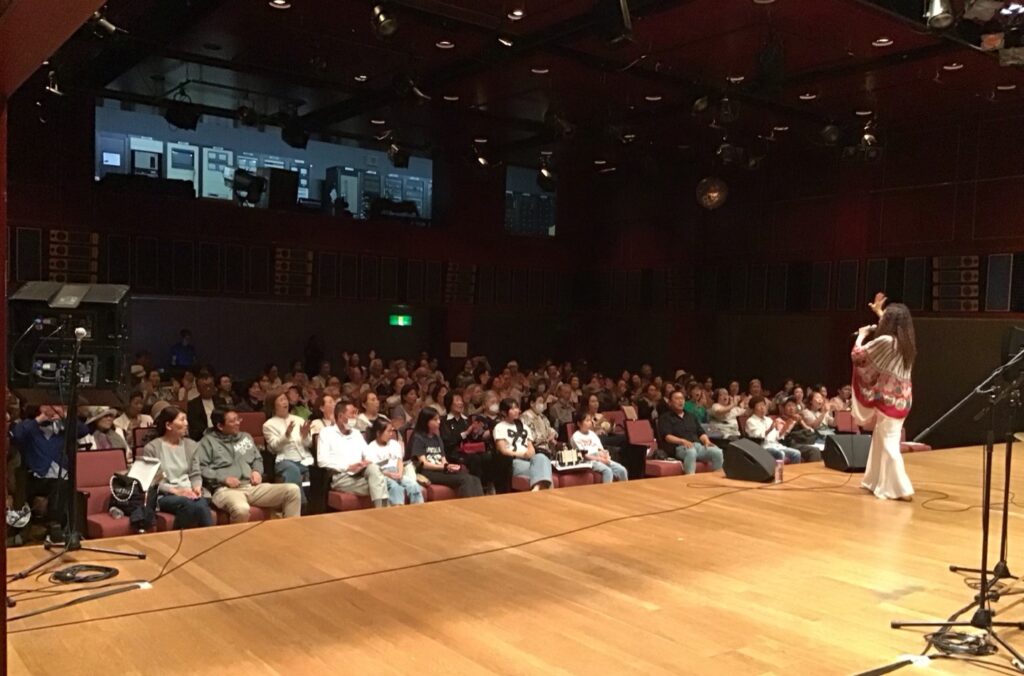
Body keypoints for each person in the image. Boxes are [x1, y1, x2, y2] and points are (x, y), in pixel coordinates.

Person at [852, 292, 916, 501]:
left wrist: (862, 335)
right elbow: (890, 328)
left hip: (889, 400)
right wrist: (879, 312)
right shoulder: (905, 343)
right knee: (880, 438)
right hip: (902, 399)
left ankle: (901, 488)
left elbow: (858, 356)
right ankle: (873, 480)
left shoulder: (887, 341)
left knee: (888, 441)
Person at [196, 408, 301, 522]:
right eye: (232, 421)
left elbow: (257, 458)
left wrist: (256, 471)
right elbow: (201, 468)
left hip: (252, 486)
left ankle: (291, 531)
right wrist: (224, 479)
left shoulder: (245, 437)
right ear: (220, 426)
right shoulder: (207, 442)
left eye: (238, 419)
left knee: (292, 490)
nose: (238, 423)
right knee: (241, 510)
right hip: (225, 490)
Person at [12, 405, 88, 543]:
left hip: (62, 476)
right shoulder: (30, 426)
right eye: (48, 405)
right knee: (60, 486)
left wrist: (64, 415)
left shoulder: (63, 428)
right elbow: (17, 434)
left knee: (74, 491)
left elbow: (84, 430)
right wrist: (41, 418)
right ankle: (54, 529)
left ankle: (73, 533)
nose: (53, 409)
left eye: (56, 406)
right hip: (37, 478)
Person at [142, 406, 212, 529]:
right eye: (182, 419)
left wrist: (196, 488)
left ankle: (209, 538)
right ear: (168, 425)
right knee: (188, 504)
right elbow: (153, 481)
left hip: (188, 491)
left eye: (186, 419)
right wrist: (177, 491)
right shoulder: (152, 448)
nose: (186, 423)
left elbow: (195, 473)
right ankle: (177, 538)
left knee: (202, 504)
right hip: (165, 495)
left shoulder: (191, 446)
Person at [317, 400, 390, 508]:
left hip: (361, 472)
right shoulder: (326, 433)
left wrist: (366, 462)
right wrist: (348, 467)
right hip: (342, 476)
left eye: (356, 414)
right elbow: (321, 461)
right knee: (381, 483)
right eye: (352, 414)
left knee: (374, 469)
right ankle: (383, 512)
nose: (355, 417)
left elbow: (368, 453)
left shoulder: (356, 433)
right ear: (340, 416)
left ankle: (381, 511)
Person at [409, 409, 483, 497]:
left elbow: (444, 460)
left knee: (475, 479)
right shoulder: (418, 438)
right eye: (435, 419)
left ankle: (479, 504)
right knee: (465, 479)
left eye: (439, 419)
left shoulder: (437, 438)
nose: (439, 422)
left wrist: (449, 466)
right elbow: (423, 464)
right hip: (427, 472)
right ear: (426, 422)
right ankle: (468, 504)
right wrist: (444, 467)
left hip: (441, 470)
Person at [262, 391, 313, 506]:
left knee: (318, 470)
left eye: (285, 399)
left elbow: (309, 444)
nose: (285, 402)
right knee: (292, 469)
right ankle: (301, 505)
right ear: (273, 405)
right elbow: (274, 447)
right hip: (285, 460)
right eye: (281, 400)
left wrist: (305, 436)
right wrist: (286, 435)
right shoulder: (268, 425)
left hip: (304, 458)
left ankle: (318, 506)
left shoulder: (299, 420)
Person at [656, 390, 723, 474]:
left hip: (697, 446)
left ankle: (717, 478)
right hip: (680, 447)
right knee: (691, 452)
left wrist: (706, 441)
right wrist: (682, 441)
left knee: (717, 452)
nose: (680, 401)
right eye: (677, 399)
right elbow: (667, 437)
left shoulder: (691, 416)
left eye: (682, 398)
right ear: (670, 402)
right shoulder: (665, 418)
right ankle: (690, 478)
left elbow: (700, 432)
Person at [494, 398, 552, 491]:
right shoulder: (499, 427)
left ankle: (537, 488)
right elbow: (503, 450)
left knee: (541, 457)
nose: (516, 411)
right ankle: (541, 489)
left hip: (529, 459)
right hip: (514, 461)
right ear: (504, 412)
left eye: (517, 408)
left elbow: (530, 446)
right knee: (544, 468)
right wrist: (522, 454)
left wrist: (530, 453)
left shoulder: (524, 427)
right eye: (512, 409)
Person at [364, 417, 423, 506]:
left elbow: (399, 461)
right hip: (384, 475)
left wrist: (400, 473)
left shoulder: (394, 444)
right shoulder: (371, 448)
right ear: (378, 433)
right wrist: (389, 474)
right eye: (388, 431)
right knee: (396, 488)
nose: (391, 434)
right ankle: (398, 511)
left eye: (392, 431)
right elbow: (375, 470)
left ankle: (418, 509)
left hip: (397, 472)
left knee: (414, 485)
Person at [571, 412, 628, 483]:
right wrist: (599, 459)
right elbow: (584, 455)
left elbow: (601, 449)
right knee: (608, 471)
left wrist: (606, 455)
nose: (590, 422)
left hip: (600, 457)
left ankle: (625, 489)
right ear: (579, 423)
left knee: (622, 470)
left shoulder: (592, 434)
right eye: (587, 420)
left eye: (590, 420)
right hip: (588, 460)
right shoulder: (575, 436)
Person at [743, 396, 802, 465]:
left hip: (776, 445)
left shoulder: (768, 419)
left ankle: (793, 471)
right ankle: (779, 472)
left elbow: (778, 436)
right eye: (759, 406)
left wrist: (787, 425)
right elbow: (757, 436)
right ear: (753, 409)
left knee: (796, 453)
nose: (762, 408)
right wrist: (770, 429)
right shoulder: (751, 421)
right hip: (763, 447)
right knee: (780, 454)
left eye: (763, 405)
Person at [187, 375, 224, 441]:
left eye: (210, 385)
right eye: (204, 386)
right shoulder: (192, 405)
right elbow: (194, 425)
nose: (208, 388)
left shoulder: (221, 401)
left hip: (221, 434)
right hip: (202, 437)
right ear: (198, 389)